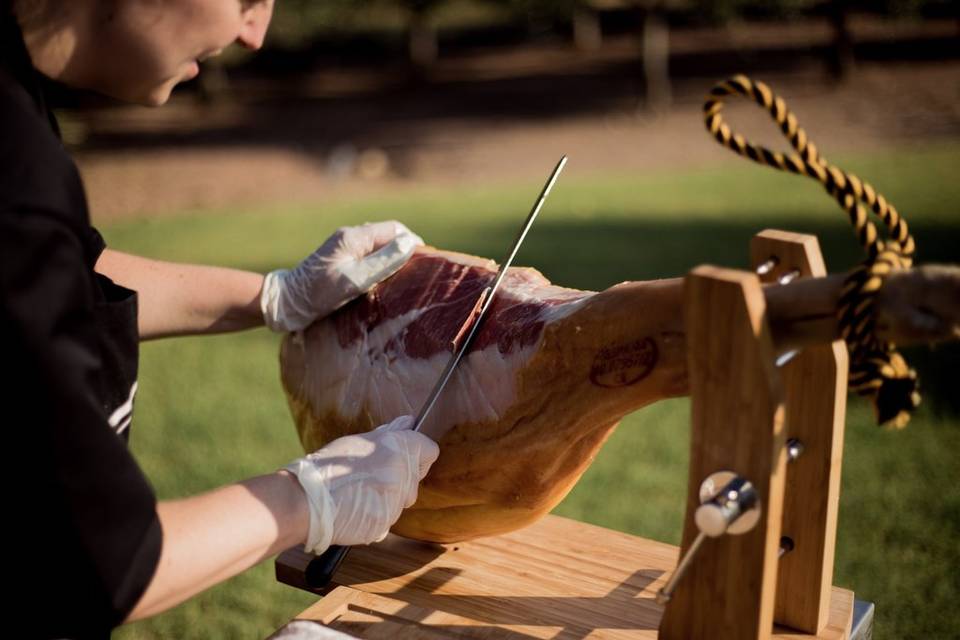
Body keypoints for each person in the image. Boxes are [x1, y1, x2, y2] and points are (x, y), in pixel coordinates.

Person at [1, 1, 440, 638]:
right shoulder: (9, 172)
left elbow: (72, 273)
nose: (255, 34)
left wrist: (275, 296)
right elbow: (101, 560)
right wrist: (309, 499)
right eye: (247, 0)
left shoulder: (16, 109)